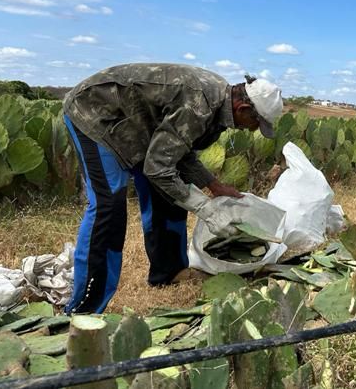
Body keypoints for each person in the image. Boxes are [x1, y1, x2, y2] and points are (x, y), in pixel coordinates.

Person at [62, 63, 283, 314]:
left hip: (137, 127)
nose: (252, 130)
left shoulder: (221, 100)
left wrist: (213, 185)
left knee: (169, 194)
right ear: (243, 108)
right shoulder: (200, 105)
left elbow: (178, 150)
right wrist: (206, 210)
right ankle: (84, 308)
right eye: (255, 124)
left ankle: (169, 272)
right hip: (95, 116)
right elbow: (158, 168)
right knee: (108, 209)